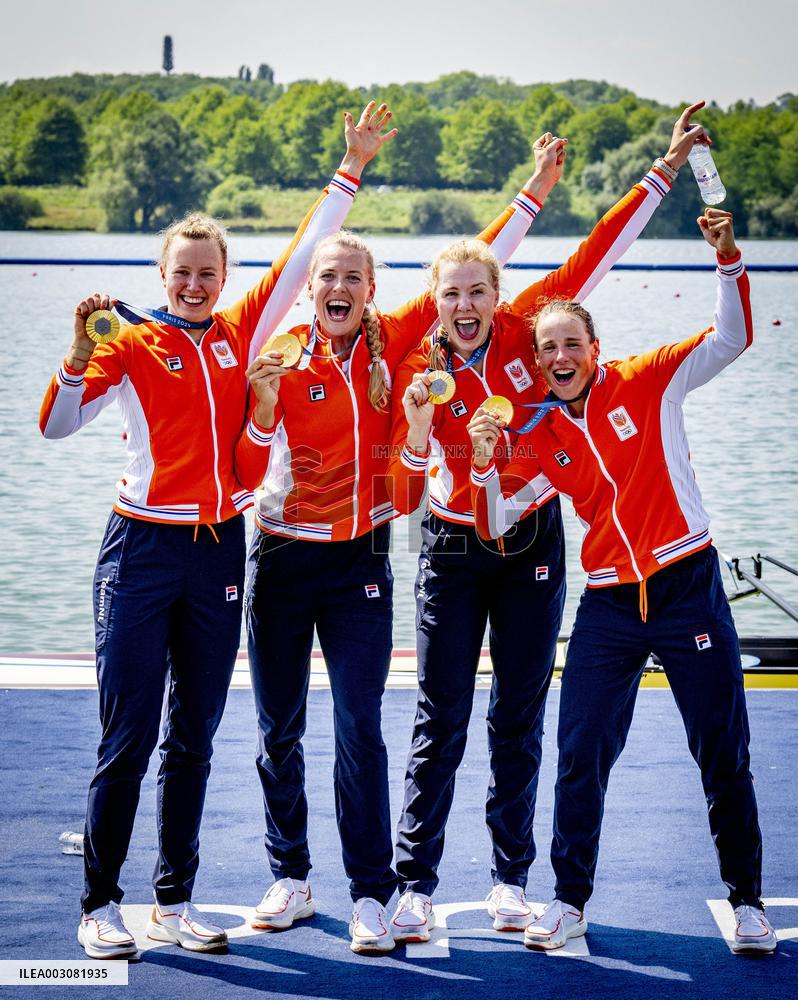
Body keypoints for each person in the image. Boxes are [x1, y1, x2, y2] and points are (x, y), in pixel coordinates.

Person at [38, 102, 394, 961]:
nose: (196, 285)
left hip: (219, 553)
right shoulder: (130, 341)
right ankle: (99, 903)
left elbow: (309, 252)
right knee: (127, 735)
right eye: (184, 273)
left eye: (209, 273)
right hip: (142, 548)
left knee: (193, 736)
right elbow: (54, 426)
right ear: (164, 275)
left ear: (224, 278)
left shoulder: (242, 333)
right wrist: (79, 352)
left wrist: (350, 167)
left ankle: (173, 898)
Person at [234, 131, 568, 954]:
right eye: (327, 277)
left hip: (361, 563)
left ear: (374, 291)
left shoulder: (394, 347)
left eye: (354, 277)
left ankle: (375, 891)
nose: (338, 286)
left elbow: (477, 271)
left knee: (360, 727)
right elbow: (239, 453)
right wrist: (346, 173)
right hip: (278, 557)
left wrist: (535, 191)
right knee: (277, 728)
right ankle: (290, 873)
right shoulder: (273, 351)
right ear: (310, 290)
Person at [385, 104, 710, 944]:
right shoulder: (419, 366)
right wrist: (421, 431)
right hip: (454, 547)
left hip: (531, 542)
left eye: (478, 293)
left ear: (499, 299)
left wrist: (663, 169)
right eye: (450, 295)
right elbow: (405, 483)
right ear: (436, 304)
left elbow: (596, 254)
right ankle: (414, 884)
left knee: (520, 713)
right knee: (441, 714)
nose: (466, 305)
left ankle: (507, 878)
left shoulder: (534, 330)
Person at [467, 207, 777, 956]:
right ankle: (570, 901)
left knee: (721, 751)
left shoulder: (650, 380)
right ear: (539, 363)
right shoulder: (538, 430)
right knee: (579, 752)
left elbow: (733, 338)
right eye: (548, 350)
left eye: (572, 343)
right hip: (608, 602)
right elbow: (495, 520)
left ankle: (747, 901)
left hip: (686, 584)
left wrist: (728, 258)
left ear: (594, 348)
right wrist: (480, 463)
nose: (561, 356)